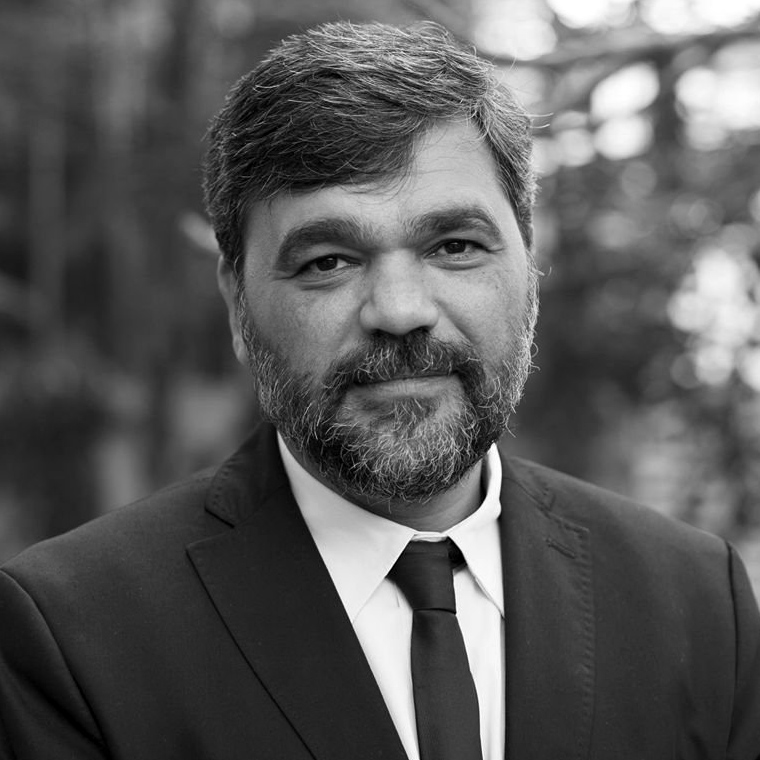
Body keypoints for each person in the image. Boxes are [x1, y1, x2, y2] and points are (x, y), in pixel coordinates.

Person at [0, 20, 758, 760]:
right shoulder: (69, 636)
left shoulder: (697, 602)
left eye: (454, 246)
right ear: (237, 303)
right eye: (327, 262)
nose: (399, 312)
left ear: (530, 265)